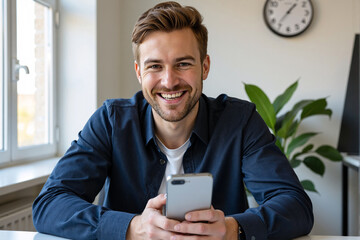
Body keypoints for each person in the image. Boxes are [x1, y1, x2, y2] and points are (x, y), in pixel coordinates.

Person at [32, 1, 313, 240]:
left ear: (204, 67)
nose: (169, 81)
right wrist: (132, 228)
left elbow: (296, 206)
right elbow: (50, 203)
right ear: (139, 72)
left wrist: (231, 229)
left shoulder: (240, 122)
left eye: (183, 64)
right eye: (155, 66)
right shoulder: (111, 121)